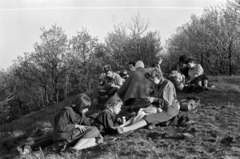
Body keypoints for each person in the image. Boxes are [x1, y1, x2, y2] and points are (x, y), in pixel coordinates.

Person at [116, 67, 180, 134]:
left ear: (158, 76)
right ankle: (121, 126)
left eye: (152, 78)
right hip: (160, 106)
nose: (151, 80)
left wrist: (154, 99)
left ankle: (125, 129)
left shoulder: (167, 84)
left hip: (170, 108)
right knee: (141, 113)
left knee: (150, 117)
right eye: (150, 79)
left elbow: (167, 103)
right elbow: (157, 98)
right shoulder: (156, 85)